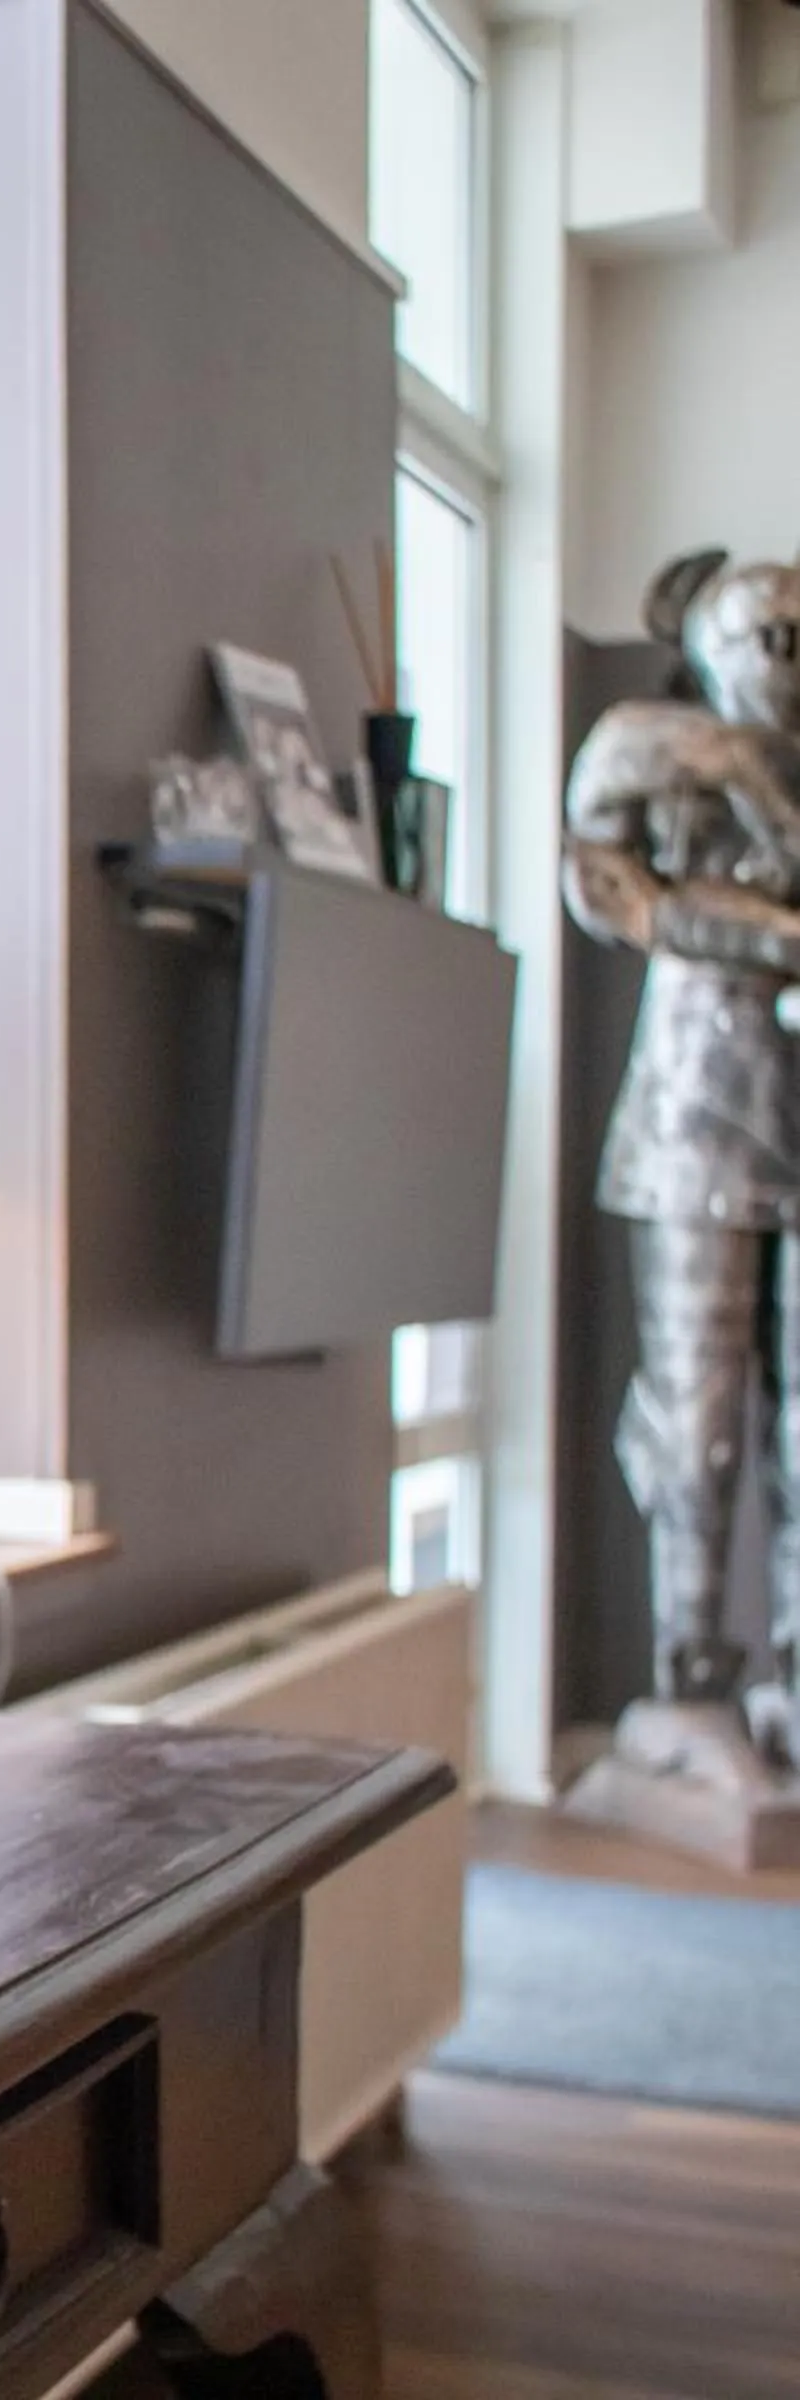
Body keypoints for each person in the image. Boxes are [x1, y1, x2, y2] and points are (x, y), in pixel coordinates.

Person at [564, 547, 800, 1792]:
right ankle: (689, 1675)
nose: (788, 666)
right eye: (772, 638)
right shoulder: (659, 742)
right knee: (697, 1427)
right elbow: (608, 887)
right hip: (694, 1117)